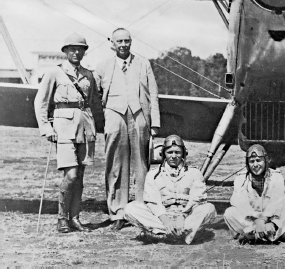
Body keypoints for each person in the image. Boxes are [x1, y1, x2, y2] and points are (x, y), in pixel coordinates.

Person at [34, 33, 102, 233]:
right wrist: (46, 127)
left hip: (85, 126)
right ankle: (62, 218)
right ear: (65, 51)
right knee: (70, 175)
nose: (76, 52)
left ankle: (75, 218)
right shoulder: (55, 73)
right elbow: (41, 102)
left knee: (80, 175)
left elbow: (92, 103)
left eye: (80, 48)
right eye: (72, 49)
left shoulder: (89, 74)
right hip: (63, 128)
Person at [94, 28, 160, 230]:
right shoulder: (103, 66)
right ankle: (118, 213)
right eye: (119, 41)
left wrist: (154, 124)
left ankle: (139, 210)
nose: (123, 44)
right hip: (114, 116)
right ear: (112, 43)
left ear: (131, 42)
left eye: (126, 41)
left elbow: (154, 94)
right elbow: (92, 94)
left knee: (141, 165)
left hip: (139, 115)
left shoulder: (143, 63)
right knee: (116, 165)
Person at [124, 135, 216, 243]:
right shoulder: (153, 175)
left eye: (177, 152)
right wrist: (166, 221)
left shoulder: (194, 173)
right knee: (130, 208)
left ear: (184, 154)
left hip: (186, 218)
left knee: (209, 208)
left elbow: (198, 199)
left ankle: (166, 233)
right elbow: (153, 202)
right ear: (163, 154)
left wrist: (183, 216)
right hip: (162, 218)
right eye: (169, 152)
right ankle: (171, 232)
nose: (173, 156)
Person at [224, 144, 285, 244]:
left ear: (266, 161)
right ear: (247, 163)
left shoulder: (277, 176)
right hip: (252, 219)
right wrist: (256, 220)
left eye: (259, 160)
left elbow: (277, 201)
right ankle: (274, 234)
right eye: (251, 161)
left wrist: (264, 219)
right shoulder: (240, 178)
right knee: (229, 213)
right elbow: (241, 202)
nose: (255, 165)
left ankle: (253, 235)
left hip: (271, 219)